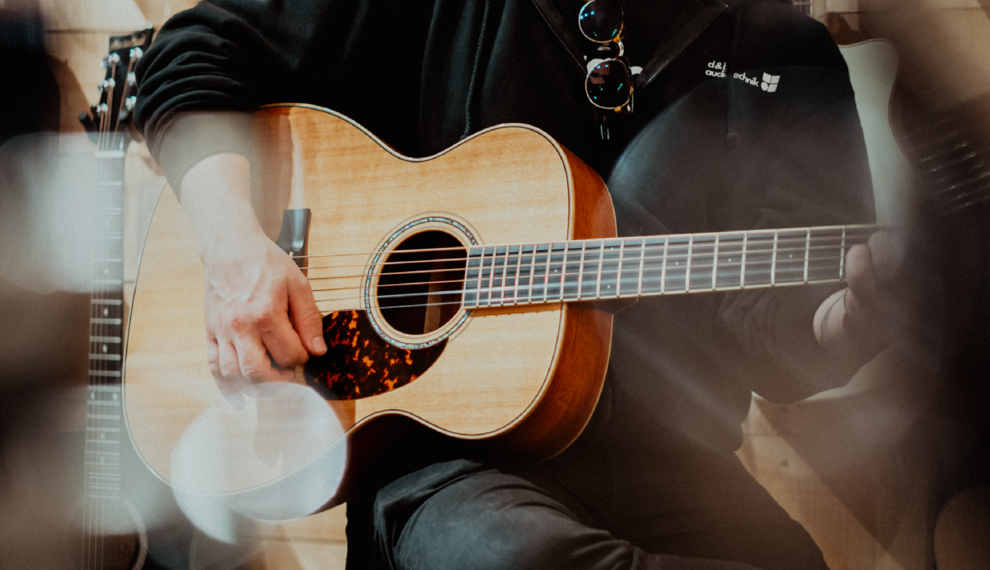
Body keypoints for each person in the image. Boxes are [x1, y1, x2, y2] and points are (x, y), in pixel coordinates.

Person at [134, 0, 896, 568]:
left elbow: (771, 336)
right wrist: (234, 248)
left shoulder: (784, 52)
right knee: (518, 559)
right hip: (445, 465)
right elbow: (193, 53)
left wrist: (843, 321)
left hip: (678, 467)